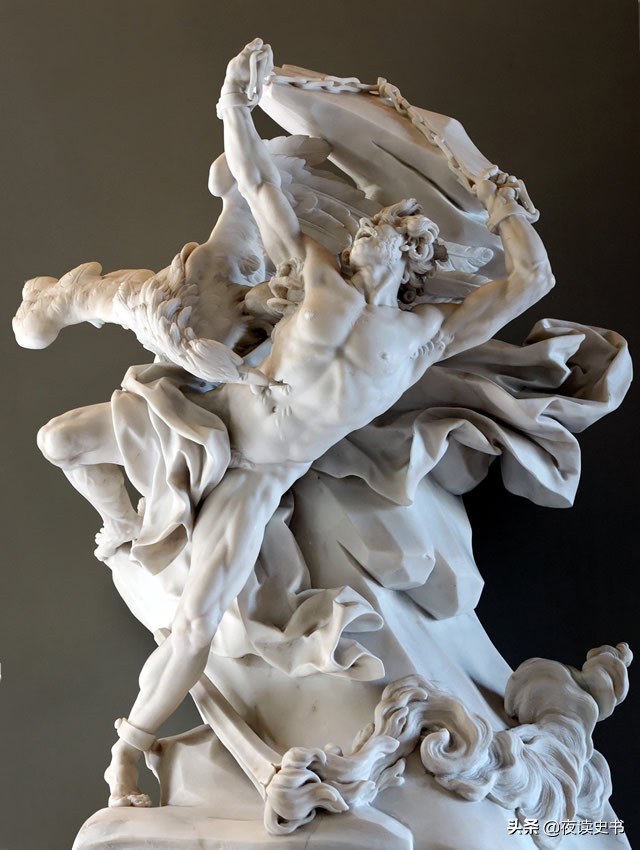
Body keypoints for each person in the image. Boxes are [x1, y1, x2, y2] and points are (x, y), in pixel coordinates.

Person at [38, 38, 554, 805]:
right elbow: (256, 183)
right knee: (61, 442)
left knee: (196, 625)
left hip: (257, 476)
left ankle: (127, 751)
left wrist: (499, 197)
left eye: (383, 236)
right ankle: (122, 531)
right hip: (203, 418)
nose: (364, 240)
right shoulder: (316, 277)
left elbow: (532, 279)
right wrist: (235, 106)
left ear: (410, 258)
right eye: (368, 233)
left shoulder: (424, 339)